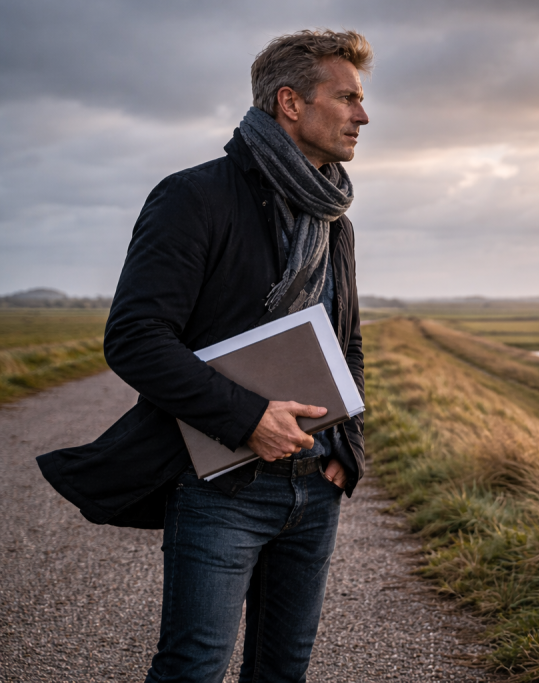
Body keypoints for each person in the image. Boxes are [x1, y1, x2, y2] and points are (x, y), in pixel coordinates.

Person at [37, 29, 371, 681]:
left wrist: (347, 446)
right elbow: (136, 337)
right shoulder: (194, 197)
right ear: (291, 102)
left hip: (315, 487)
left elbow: (346, 341)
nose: (363, 115)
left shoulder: (336, 221)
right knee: (193, 668)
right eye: (347, 97)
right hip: (222, 487)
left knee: (283, 670)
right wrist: (248, 419)